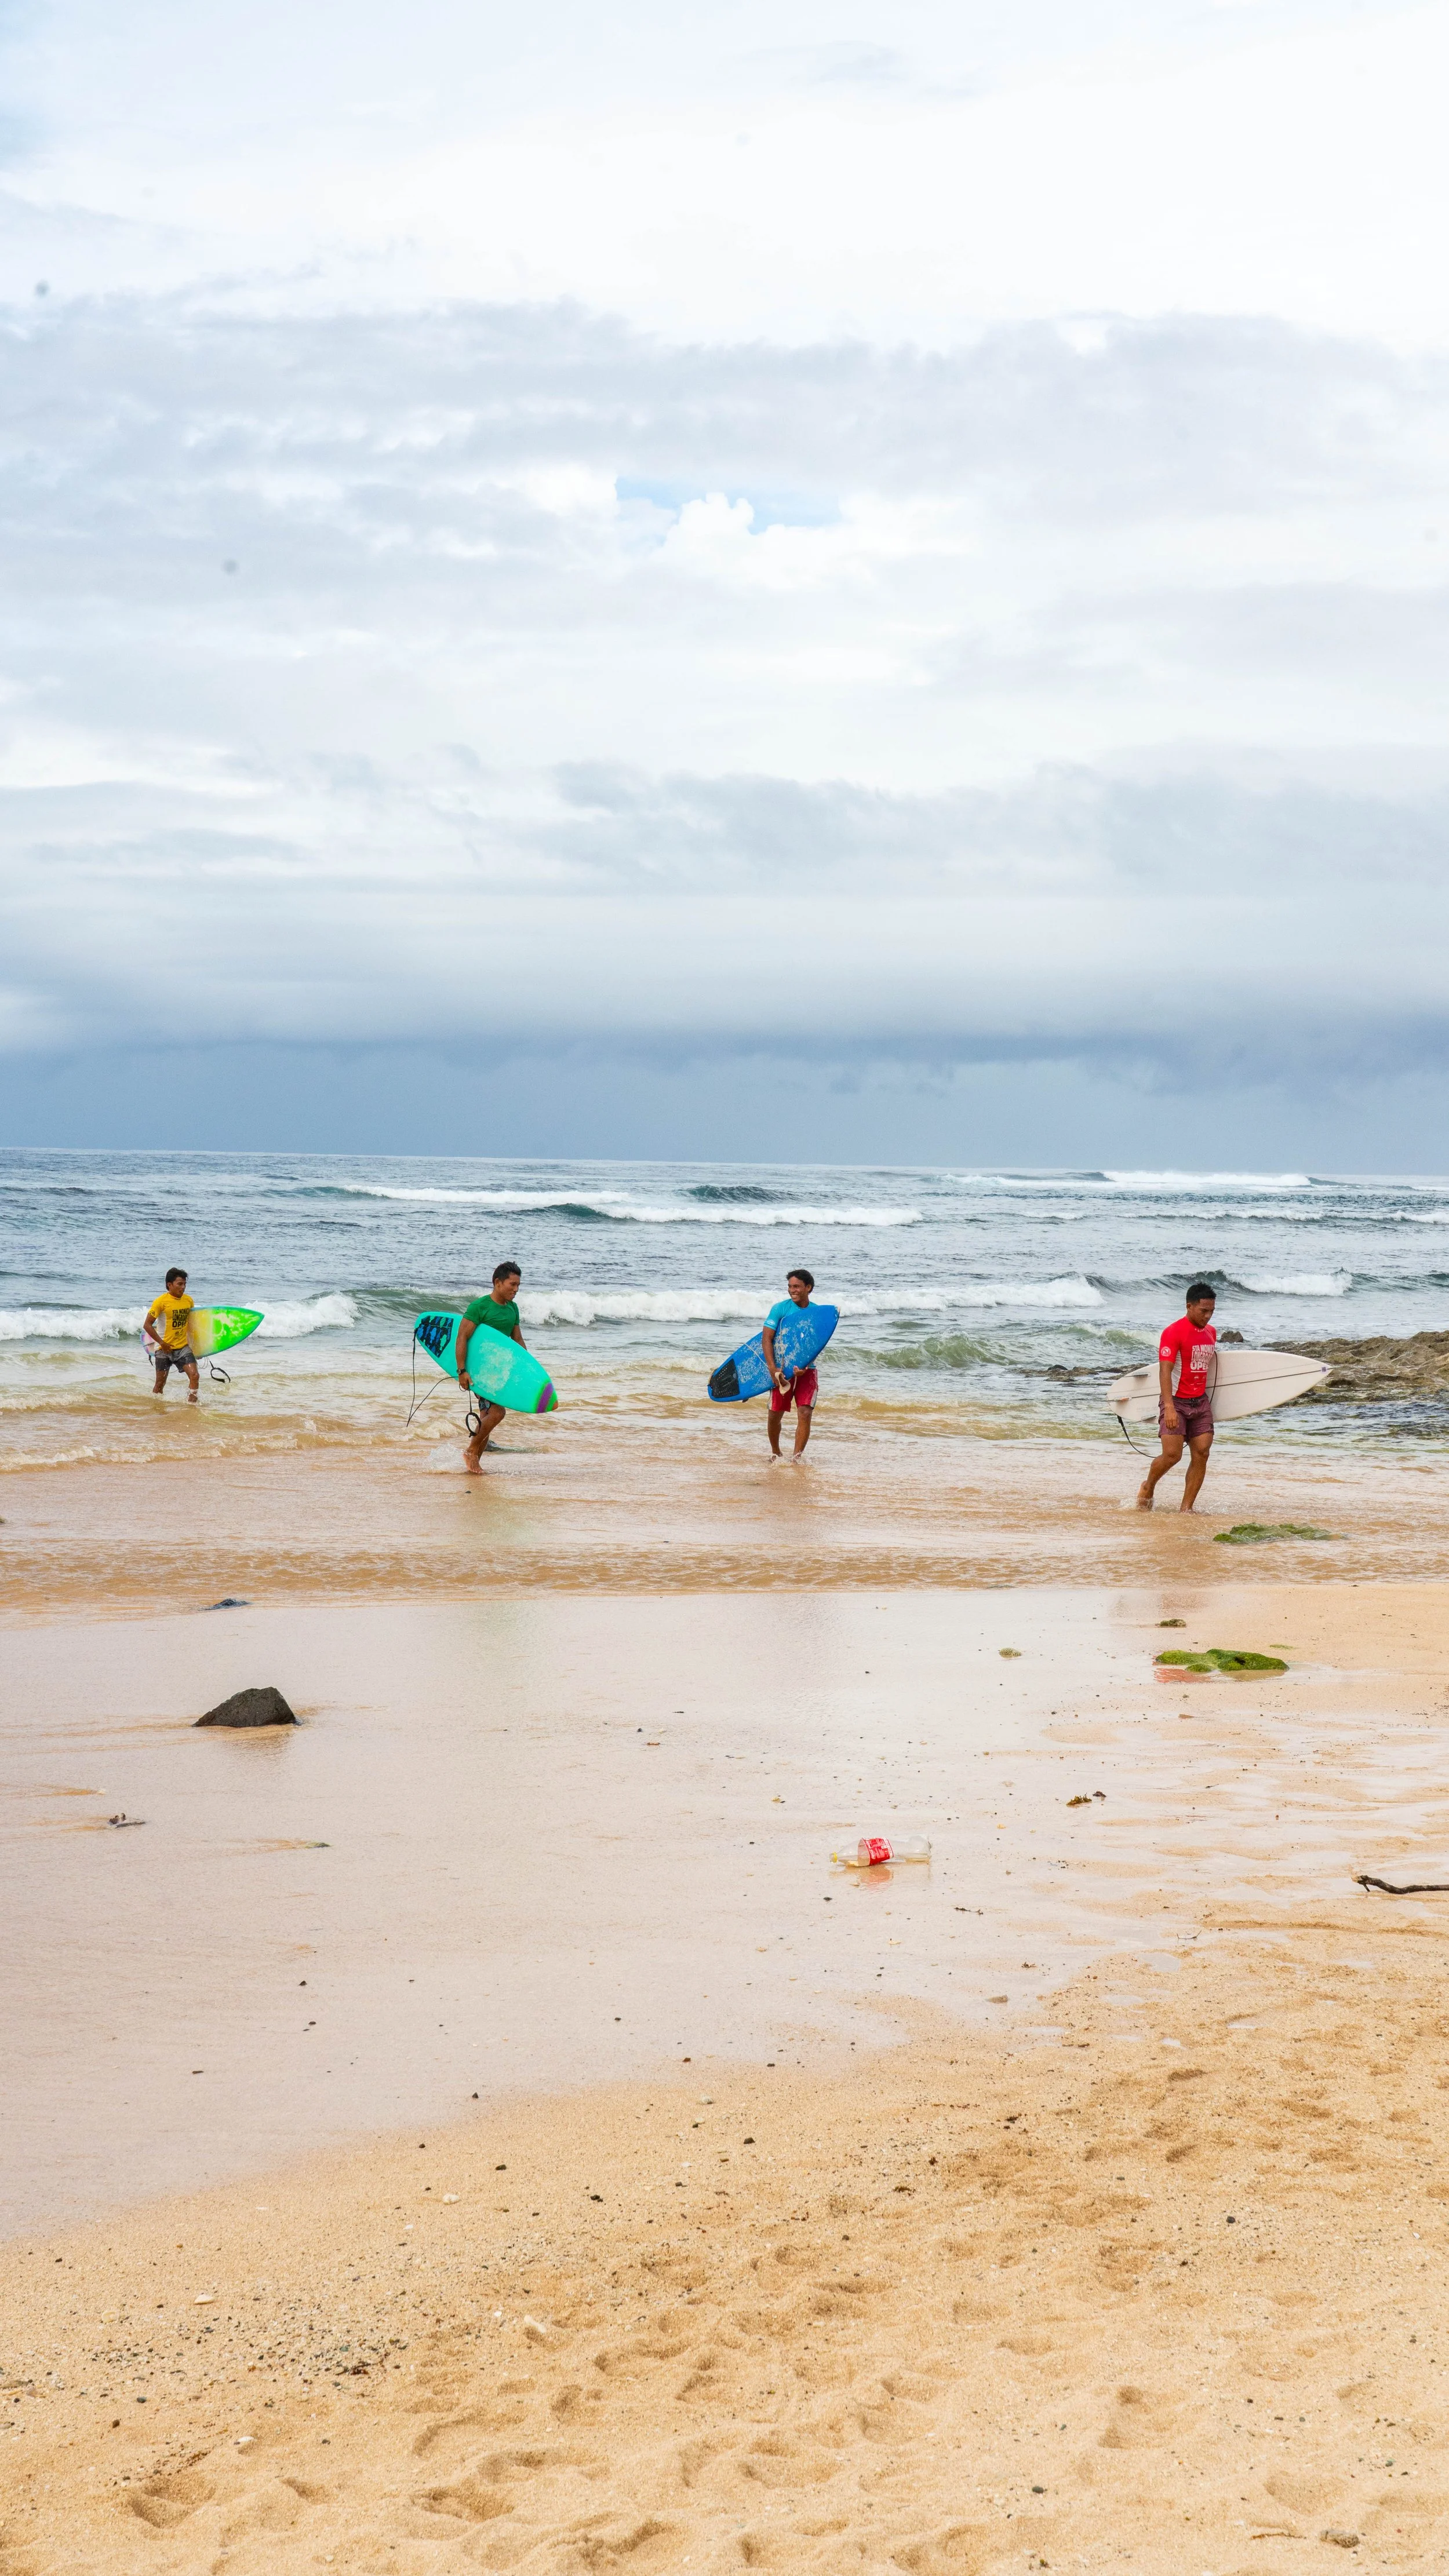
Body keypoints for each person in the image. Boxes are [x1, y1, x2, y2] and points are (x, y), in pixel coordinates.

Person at [1137, 1281, 1218, 1512]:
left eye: (1212, 1311)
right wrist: (1170, 1407)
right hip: (1177, 1401)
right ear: (1189, 1306)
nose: (1208, 1316)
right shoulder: (1173, 1332)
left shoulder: (1212, 1333)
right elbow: (1165, 1371)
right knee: (1172, 1456)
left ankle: (1186, 1509)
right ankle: (1149, 1485)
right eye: (1204, 1311)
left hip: (1200, 1402)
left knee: (1202, 1453)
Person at [456, 1260, 525, 1473]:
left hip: (499, 1372)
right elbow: (462, 1337)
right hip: (479, 1372)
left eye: (518, 1286)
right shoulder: (480, 1307)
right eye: (512, 1285)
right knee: (497, 1413)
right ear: (497, 1283)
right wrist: (462, 1371)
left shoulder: (513, 1308)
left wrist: (526, 1369)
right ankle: (471, 1452)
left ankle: (474, 1461)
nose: (516, 1290)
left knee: (488, 1416)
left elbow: (517, 1341)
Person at [763, 1268, 823, 1462]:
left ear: (808, 1288)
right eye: (790, 1286)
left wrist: (805, 1367)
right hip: (781, 1371)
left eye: (796, 1286)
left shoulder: (816, 1313)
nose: (792, 1290)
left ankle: (796, 1458)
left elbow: (815, 1346)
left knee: (805, 1413)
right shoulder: (780, 1309)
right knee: (775, 1414)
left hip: (807, 1370)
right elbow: (766, 1339)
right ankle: (776, 1451)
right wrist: (773, 1369)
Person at [144, 1266, 201, 1403]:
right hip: (163, 1349)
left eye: (185, 1284)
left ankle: (191, 1408)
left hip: (183, 1347)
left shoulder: (188, 1301)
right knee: (160, 1385)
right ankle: (157, 1410)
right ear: (170, 1285)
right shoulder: (160, 1302)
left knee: (195, 1376)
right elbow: (147, 1325)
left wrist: (197, 1348)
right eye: (180, 1284)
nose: (183, 1287)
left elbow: (191, 1325)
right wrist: (162, 1343)